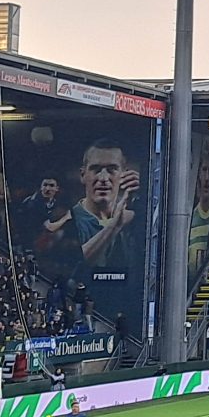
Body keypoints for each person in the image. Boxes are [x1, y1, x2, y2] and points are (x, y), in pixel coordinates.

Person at [67, 139, 145, 335]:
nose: (103, 178)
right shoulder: (70, 219)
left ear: (124, 175)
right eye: (95, 169)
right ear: (83, 175)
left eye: (112, 169)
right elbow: (79, 263)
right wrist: (113, 227)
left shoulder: (135, 218)